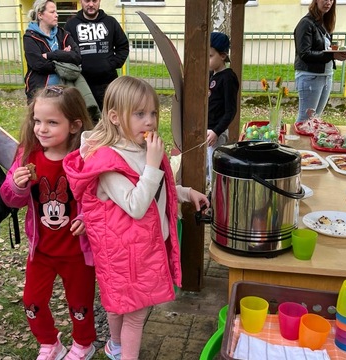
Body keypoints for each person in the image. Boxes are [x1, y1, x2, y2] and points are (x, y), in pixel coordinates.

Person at [63, 76, 210, 360]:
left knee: (120, 305)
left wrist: (185, 192)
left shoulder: (141, 149)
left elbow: (154, 189)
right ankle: (122, 351)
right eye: (140, 114)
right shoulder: (106, 161)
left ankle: (115, 346)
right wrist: (153, 164)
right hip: (125, 254)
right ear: (115, 117)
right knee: (135, 313)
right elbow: (136, 205)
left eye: (153, 112)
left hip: (139, 249)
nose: (150, 121)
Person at [0, 85, 97, 360]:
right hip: (41, 252)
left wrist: (87, 218)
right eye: (37, 121)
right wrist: (17, 187)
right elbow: (9, 199)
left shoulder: (85, 159)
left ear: (75, 125)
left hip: (77, 254)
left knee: (79, 304)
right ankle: (50, 343)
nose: (41, 129)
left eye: (52, 122)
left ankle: (83, 343)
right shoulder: (26, 156)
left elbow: (101, 199)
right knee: (31, 301)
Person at [64, 0, 130, 112]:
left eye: (94, 1)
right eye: (87, 1)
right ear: (81, 1)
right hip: (82, 84)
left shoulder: (110, 22)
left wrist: (111, 64)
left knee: (112, 118)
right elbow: (65, 51)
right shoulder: (71, 24)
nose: (91, 4)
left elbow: (123, 46)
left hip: (108, 83)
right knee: (86, 120)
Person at [294, 0, 346, 123]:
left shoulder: (324, 23)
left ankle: (309, 143)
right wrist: (331, 56)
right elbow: (304, 54)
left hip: (326, 76)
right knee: (305, 120)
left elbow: (326, 51)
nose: (328, 2)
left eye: (331, 0)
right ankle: (295, 143)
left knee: (315, 120)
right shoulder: (306, 23)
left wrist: (338, 55)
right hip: (310, 77)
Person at [23, 0, 82, 101]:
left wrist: (52, 55)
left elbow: (77, 57)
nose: (57, 15)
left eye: (56, 12)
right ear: (40, 15)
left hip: (64, 92)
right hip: (40, 92)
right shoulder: (30, 37)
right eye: (52, 12)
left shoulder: (63, 34)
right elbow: (38, 64)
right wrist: (64, 58)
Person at [206, 32, 239, 189]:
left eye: (210, 55)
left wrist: (217, 131)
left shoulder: (228, 78)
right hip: (207, 132)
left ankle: (217, 197)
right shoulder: (212, 74)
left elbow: (230, 111)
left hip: (216, 135)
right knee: (207, 168)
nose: (207, 59)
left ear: (223, 55)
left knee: (215, 171)